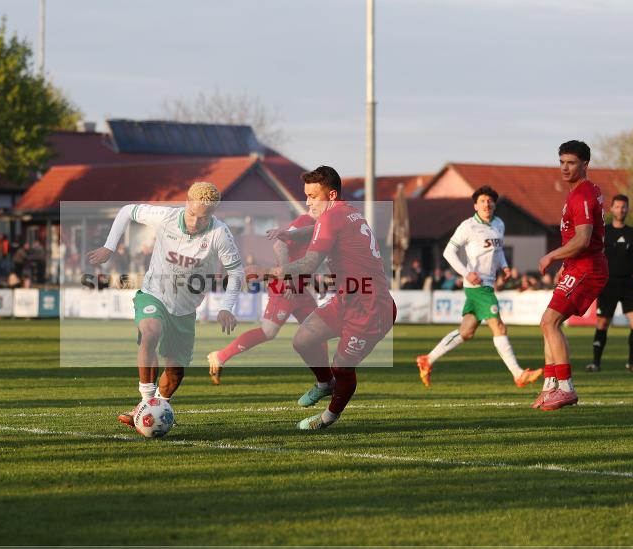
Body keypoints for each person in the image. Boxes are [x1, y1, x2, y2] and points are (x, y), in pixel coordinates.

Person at [87, 182, 245, 430]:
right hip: (154, 294)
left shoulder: (219, 233)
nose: (195, 222)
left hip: (185, 309)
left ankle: (153, 408)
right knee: (151, 332)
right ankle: (146, 402)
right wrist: (109, 246)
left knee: (175, 375)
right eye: (192, 214)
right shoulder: (166, 217)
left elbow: (236, 273)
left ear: (212, 215)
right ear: (186, 203)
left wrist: (227, 306)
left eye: (203, 219)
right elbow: (128, 210)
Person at [272, 166, 396, 430]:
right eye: (306, 195)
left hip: (370, 306)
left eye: (313, 196)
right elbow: (319, 228)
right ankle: (324, 384)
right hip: (347, 299)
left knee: (343, 368)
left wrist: (275, 271)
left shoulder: (333, 217)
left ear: (330, 194)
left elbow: (309, 264)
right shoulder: (345, 211)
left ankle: (327, 417)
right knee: (303, 340)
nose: (308, 202)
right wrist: (293, 234)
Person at [417, 187, 542, 389]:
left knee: (466, 332)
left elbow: (498, 249)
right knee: (499, 327)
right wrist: (466, 273)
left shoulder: (499, 224)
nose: (487, 204)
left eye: (490, 201)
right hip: (478, 286)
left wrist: (504, 266)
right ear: (475, 205)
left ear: (494, 204)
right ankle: (518, 374)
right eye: (482, 201)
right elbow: (449, 252)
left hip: (487, 285)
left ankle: (428, 359)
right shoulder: (468, 226)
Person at [534, 140, 608, 411]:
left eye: (571, 163)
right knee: (548, 323)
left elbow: (584, 238)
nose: (565, 168)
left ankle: (565, 388)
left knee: (549, 322)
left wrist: (553, 256)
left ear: (585, 164)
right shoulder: (580, 191)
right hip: (578, 266)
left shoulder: (583, 194)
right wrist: (566, 264)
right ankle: (550, 386)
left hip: (588, 268)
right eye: (562, 162)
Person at [206, 211, 319, 384]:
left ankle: (326, 380)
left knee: (318, 331)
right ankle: (220, 356)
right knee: (268, 332)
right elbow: (279, 246)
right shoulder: (305, 220)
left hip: (301, 288)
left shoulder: (323, 225)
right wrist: (287, 277)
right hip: (285, 287)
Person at [587, 194, 633, 372]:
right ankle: (595, 363)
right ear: (611, 209)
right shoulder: (602, 232)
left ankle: (632, 362)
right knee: (602, 324)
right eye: (617, 207)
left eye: (624, 207)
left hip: (628, 285)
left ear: (627, 209)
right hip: (607, 284)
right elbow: (593, 256)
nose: (620, 210)